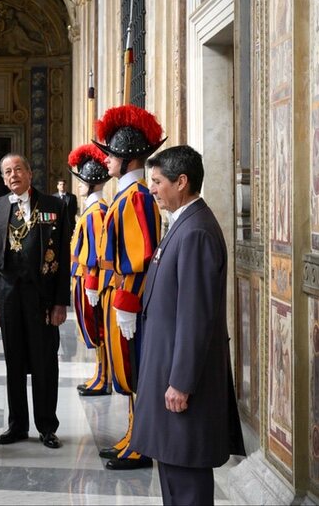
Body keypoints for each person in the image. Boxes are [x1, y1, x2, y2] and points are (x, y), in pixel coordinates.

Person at [131, 145, 246, 504]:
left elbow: (196, 316)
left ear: (182, 182)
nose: (152, 188)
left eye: (157, 181)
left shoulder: (195, 231)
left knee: (187, 479)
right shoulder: (183, 223)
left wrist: (180, 383)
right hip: (167, 372)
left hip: (180, 384)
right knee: (173, 469)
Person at [93, 104, 164, 470]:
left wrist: (126, 302)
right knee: (127, 373)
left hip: (127, 298)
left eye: (112, 156)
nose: (107, 162)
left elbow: (139, 256)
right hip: (118, 294)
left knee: (135, 371)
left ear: (128, 158)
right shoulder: (123, 196)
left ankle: (142, 442)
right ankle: (134, 434)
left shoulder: (134, 198)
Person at [0, 153, 71, 450]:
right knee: (15, 362)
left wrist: (61, 302)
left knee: (45, 361)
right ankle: (17, 425)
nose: (13, 175)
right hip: (8, 294)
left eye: (18, 169)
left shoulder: (54, 205)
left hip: (42, 297)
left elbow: (63, 257)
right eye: (7, 171)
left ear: (30, 173)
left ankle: (47, 426)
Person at [66, 144, 112, 397]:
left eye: (82, 181)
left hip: (89, 279)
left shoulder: (96, 212)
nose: (79, 186)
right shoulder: (93, 209)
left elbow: (96, 252)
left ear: (92, 183)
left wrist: (92, 282)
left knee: (98, 329)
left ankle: (103, 377)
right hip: (84, 277)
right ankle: (98, 373)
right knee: (93, 329)